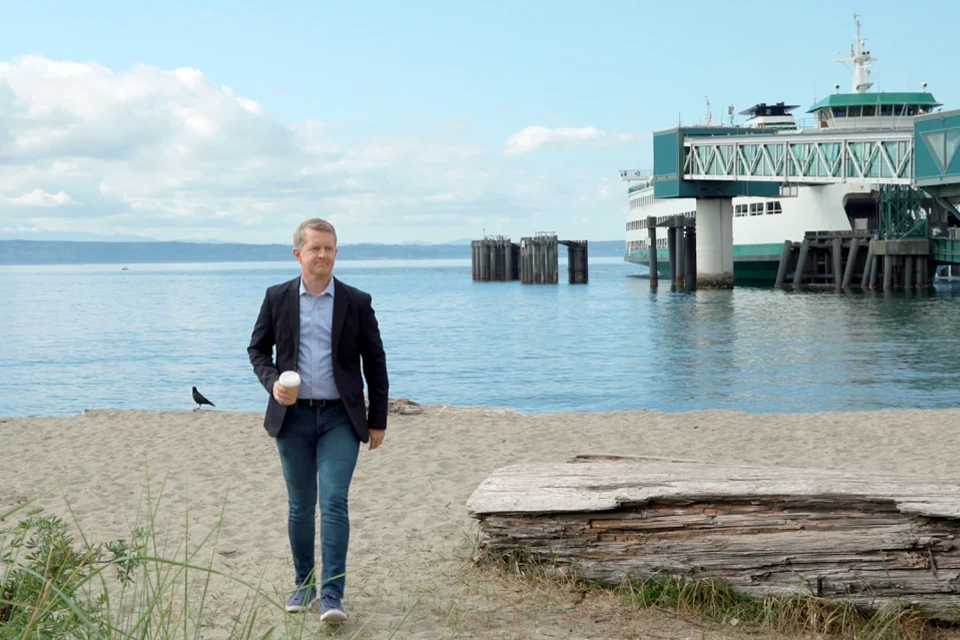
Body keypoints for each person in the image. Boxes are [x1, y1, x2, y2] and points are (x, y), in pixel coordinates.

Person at [247, 217, 389, 622]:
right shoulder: (276, 298)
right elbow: (257, 350)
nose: (323, 255)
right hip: (291, 420)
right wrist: (272, 381)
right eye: (315, 248)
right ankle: (303, 583)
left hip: (341, 419)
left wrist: (377, 419)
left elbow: (375, 363)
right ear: (298, 254)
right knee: (300, 506)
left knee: (333, 502)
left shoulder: (356, 301)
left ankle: (332, 595)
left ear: (336, 252)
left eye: (330, 248)